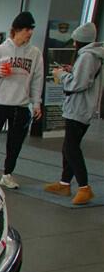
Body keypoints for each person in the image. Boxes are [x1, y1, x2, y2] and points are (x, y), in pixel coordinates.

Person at [0, 11, 45, 189]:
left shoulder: (35, 53)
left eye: (31, 30)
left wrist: (36, 102)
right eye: (26, 29)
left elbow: (37, 79)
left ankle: (7, 174)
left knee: (15, 143)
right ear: (16, 30)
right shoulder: (0, 50)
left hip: (21, 105)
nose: (29, 33)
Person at [43, 22, 102, 205]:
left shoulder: (87, 57)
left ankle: (84, 187)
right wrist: (72, 71)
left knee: (71, 148)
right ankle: (64, 183)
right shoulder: (95, 55)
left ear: (80, 41)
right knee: (69, 146)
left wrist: (61, 75)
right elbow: (84, 78)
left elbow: (78, 84)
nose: (74, 43)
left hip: (79, 108)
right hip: (84, 107)